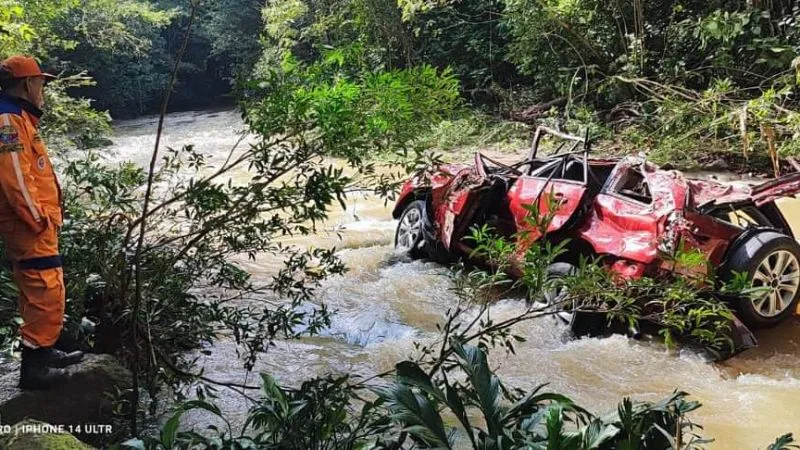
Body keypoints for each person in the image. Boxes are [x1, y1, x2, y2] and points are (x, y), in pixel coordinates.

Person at [0, 55, 83, 390]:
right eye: (41, 82)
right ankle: (34, 370)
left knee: (42, 287)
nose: (44, 89)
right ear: (27, 84)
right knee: (43, 287)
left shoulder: (18, 117)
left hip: (34, 222)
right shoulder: (8, 120)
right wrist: (38, 219)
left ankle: (44, 350)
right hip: (28, 223)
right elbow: (14, 177)